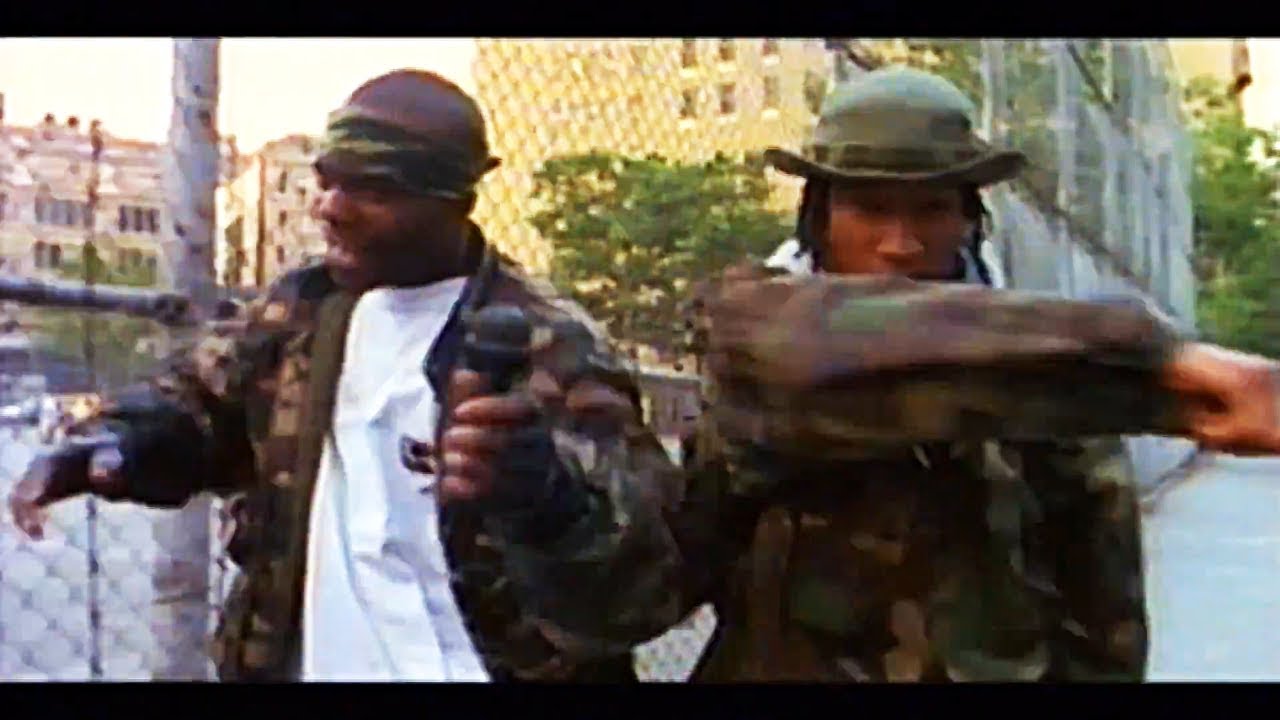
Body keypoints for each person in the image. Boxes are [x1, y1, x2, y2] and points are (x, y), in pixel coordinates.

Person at [8, 69, 687, 682]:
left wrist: (545, 506)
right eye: (328, 180)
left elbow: (642, 593)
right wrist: (118, 443)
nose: (329, 207)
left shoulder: (550, 346)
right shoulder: (308, 305)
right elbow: (202, 403)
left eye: (373, 188)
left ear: (456, 198)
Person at [673, 65, 1280, 682]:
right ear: (818, 216)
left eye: (932, 210)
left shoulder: (1050, 379)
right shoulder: (762, 344)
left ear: (968, 220)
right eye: (869, 209)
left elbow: (1103, 615)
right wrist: (1162, 369)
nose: (900, 243)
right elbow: (676, 569)